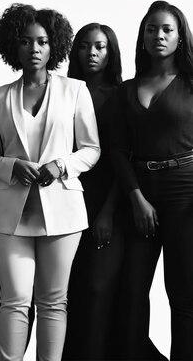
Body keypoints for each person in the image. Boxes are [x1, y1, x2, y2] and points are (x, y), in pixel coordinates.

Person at [0, 3, 100, 361]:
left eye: (42, 42)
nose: (34, 48)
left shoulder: (75, 90)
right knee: (14, 301)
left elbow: (92, 149)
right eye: (25, 41)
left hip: (62, 212)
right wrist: (11, 166)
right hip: (9, 214)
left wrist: (62, 164)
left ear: (54, 47)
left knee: (53, 302)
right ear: (12, 47)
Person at [110, 0, 193, 361]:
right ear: (142, 36)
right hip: (140, 194)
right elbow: (116, 151)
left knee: (183, 293)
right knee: (130, 291)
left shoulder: (191, 84)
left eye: (166, 29)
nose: (158, 35)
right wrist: (136, 197)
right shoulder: (126, 90)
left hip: (185, 194)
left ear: (180, 37)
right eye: (151, 29)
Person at [62, 22, 125, 360]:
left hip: (106, 201)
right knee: (68, 291)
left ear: (111, 52)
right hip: (67, 197)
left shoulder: (120, 95)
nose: (92, 53)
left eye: (100, 47)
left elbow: (123, 157)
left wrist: (109, 212)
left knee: (98, 288)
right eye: (85, 46)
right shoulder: (63, 91)